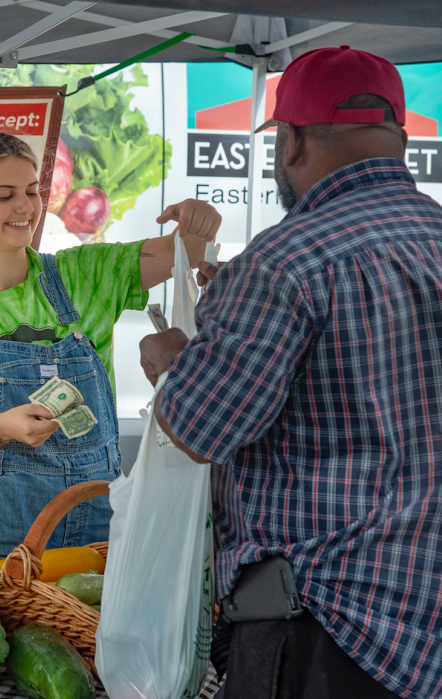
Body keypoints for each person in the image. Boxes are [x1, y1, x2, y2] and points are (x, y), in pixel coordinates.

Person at [139, 47, 442, 698]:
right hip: (426, 632)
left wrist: (172, 357)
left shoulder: (284, 262)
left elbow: (194, 428)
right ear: (399, 134)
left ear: (292, 140)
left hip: (327, 631)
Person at [0, 129, 220, 564]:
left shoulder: (86, 273)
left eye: (31, 191)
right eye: (4, 195)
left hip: (99, 520)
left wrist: (201, 220)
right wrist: (3, 429)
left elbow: (190, 251)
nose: (25, 207)